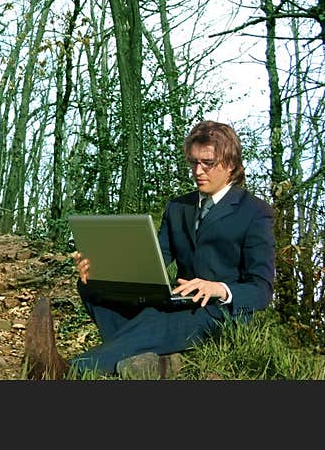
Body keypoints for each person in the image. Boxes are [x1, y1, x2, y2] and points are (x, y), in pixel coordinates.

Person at [65, 120, 275, 379]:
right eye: (193, 162)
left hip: (218, 312)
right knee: (92, 286)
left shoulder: (255, 212)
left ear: (230, 165)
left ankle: (72, 368)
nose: (198, 171)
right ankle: (137, 353)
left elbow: (261, 290)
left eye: (207, 163)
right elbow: (155, 259)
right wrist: (103, 267)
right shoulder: (178, 207)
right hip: (178, 303)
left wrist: (217, 288)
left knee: (152, 321)